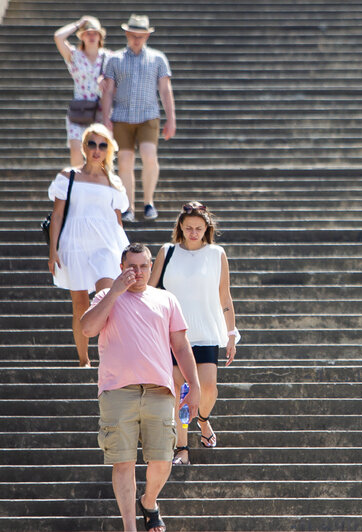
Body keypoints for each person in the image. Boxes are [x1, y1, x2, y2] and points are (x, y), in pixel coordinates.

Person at [80, 242, 201, 532]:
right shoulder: (105, 296)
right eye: (131, 266)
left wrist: (194, 385)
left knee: (162, 460)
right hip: (117, 391)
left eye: (143, 266)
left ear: (151, 267)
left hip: (159, 390)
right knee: (123, 462)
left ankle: (148, 502)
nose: (138, 271)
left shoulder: (166, 299)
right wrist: (115, 292)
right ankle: (129, 528)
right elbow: (87, 328)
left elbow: (181, 346)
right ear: (121, 268)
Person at [149, 201, 239, 465]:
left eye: (199, 228)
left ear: (206, 227)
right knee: (181, 391)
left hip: (207, 332)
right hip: (175, 333)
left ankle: (203, 420)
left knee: (208, 388)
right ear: (180, 226)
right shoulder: (167, 252)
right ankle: (182, 448)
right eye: (188, 227)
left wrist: (231, 333)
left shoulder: (216, 254)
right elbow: (151, 291)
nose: (193, 232)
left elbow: (225, 295)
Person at [47, 123, 129, 367]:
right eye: (92, 144)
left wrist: (124, 256)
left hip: (105, 246)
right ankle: (84, 360)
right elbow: (58, 215)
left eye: (102, 145)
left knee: (107, 298)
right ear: (83, 146)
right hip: (74, 244)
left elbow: (118, 222)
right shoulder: (67, 176)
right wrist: (52, 250)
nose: (97, 149)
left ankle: (110, 357)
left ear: (108, 150)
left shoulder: (114, 182)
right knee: (80, 305)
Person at [100, 14, 176, 223]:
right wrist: (106, 118)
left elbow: (165, 89)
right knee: (124, 161)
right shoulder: (114, 59)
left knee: (149, 155)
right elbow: (108, 91)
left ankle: (149, 202)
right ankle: (129, 206)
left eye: (140, 36)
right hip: (122, 115)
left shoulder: (157, 58)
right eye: (133, 35)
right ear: (127, 34)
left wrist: (171, 119)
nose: (136, 39)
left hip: (148, 114)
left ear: (147, 36)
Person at [54, 16, 109, 167]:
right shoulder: (75, 56)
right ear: (82, 36)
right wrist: (78, 24)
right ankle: (77, 186)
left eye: (95, 33)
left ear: (100, 36)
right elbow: (58, 37)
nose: (91, 37)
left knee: (98, 154)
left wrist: (105, 80)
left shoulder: (109, 57)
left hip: (99, 111)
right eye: (87, 33)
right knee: (76, 150)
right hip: (79, 111)